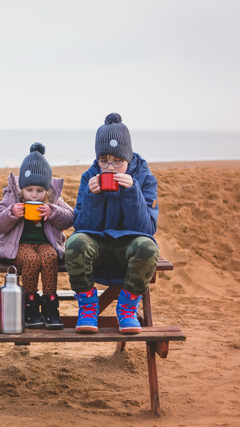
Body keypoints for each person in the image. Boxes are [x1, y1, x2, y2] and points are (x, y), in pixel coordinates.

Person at [65, 113, 159, 334]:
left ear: (128, 157)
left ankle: (127, 308)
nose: (110, 167)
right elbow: (81, 226)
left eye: (117, 161)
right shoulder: (89, 176)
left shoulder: (145, 179)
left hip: (129, 244)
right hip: (98, 243)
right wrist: (93, 196)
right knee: (75, 242)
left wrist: (132, 192)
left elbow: (146, 230)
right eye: (103, 160)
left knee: (148, 247)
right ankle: (88, 307)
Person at [0, 143, 74, 329]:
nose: (34, 195)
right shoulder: (12, 197)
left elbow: (70, 219)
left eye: (40, 190)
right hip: (18, 245)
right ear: (22, 189)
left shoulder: (53, 199)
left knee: (50, 256)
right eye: (29, 190)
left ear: (47, 190)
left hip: (45, 244)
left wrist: (53, 211)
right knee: (31, 260)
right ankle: (30, 305)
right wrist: (12, 213)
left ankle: (50, 305)